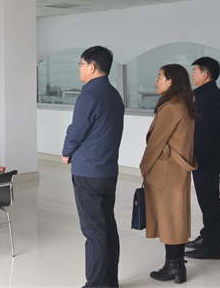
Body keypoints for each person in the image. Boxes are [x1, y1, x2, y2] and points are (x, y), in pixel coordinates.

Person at [62, 46, 124, 288]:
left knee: (94, 231)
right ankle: (110, 281)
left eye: (81, 64)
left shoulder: (89, 95)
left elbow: (77, 130)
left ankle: (95, 284)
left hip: (88, 172)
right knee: (108, 225)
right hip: (108, 171)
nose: (80, 68)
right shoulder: (114, 94)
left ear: (92, 67)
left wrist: (66, 151)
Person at [140, 64, 199, 284]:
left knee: (169, 220)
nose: (156, 81)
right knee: (176, 217)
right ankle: (177, 265)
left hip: (166, 171)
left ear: (171, 81)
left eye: (160, 77)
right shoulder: (185, 104)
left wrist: (144, 166)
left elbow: (156, 142)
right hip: (178, 170)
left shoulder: (170, 108)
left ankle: (173, 267)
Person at [185, 57, 220, 260]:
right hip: (206, 159)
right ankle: (207, 236)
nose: (192, 74)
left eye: (195, 71)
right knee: (207, 201)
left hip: (207, 160)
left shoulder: (210, 97)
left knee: (210, 202)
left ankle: (212, 246)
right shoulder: (205, 94)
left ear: (205, 75)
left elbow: (205, 133)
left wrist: (192, 159)